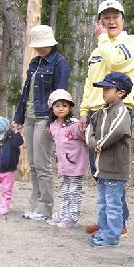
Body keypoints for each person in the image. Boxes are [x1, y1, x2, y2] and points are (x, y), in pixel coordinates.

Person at [79, 0, 134, 236]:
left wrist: (103, 39)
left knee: (112, 170)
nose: (111, 21)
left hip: (118, 110)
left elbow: (116, 62)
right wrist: (85, 111)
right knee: (98, 171)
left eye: (115, 16)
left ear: (122, 20)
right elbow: (89, 82)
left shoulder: (131, 42)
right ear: (100, 21)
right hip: (96, 112)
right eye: (106, 17)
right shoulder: (97, 50)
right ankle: (110, 219)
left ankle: (117, 221)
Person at [13, 25, 70, 221]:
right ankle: (35, 204)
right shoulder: (34, 62)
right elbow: (25, 92)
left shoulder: (60, 63)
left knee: (43, 164)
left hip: (45, 117)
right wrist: (18, 118)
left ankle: (45, 207)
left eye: (43, 45)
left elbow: (60, 95)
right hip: (29, 116)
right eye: (38, 46)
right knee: (34, 164)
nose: (40, 49)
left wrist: (56, 121)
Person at [86, 72, 133, 248]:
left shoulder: (122, 111)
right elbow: (90, 130)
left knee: (113, 204)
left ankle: (112, 235)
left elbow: (118, 130)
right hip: (101, 168)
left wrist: (101, 144)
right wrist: (93, 143)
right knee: (102, 203)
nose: (104, 92)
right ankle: (104, 231)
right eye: (103, 89)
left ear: (120, 92)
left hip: (115, 168)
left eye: (107, 89)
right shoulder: (100, 112)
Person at [46, 89, 88, 229]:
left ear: (70, 107)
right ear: (52, 108)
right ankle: (64, 214)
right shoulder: (52, 126)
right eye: (57, 106)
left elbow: (86, 139)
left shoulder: (75, 125)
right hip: (62, 166)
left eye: (64, 105)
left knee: (74, 192)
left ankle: (72, 217)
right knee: (64, 191)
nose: (61, 109)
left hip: (76, 166)